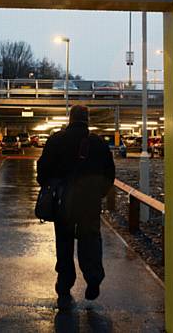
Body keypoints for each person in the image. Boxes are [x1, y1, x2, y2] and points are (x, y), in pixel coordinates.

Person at [36, 105, 115, 310]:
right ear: (87, 119)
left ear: (70, 119)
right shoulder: (98, 143)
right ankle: (93, 278)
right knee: (90, 239)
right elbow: (110, 173)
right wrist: (100, 193)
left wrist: (48, 186)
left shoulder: (56, 139)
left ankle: (64, 283)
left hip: (63, 202)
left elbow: (43, 168)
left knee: (64, 241)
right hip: (89, 202)